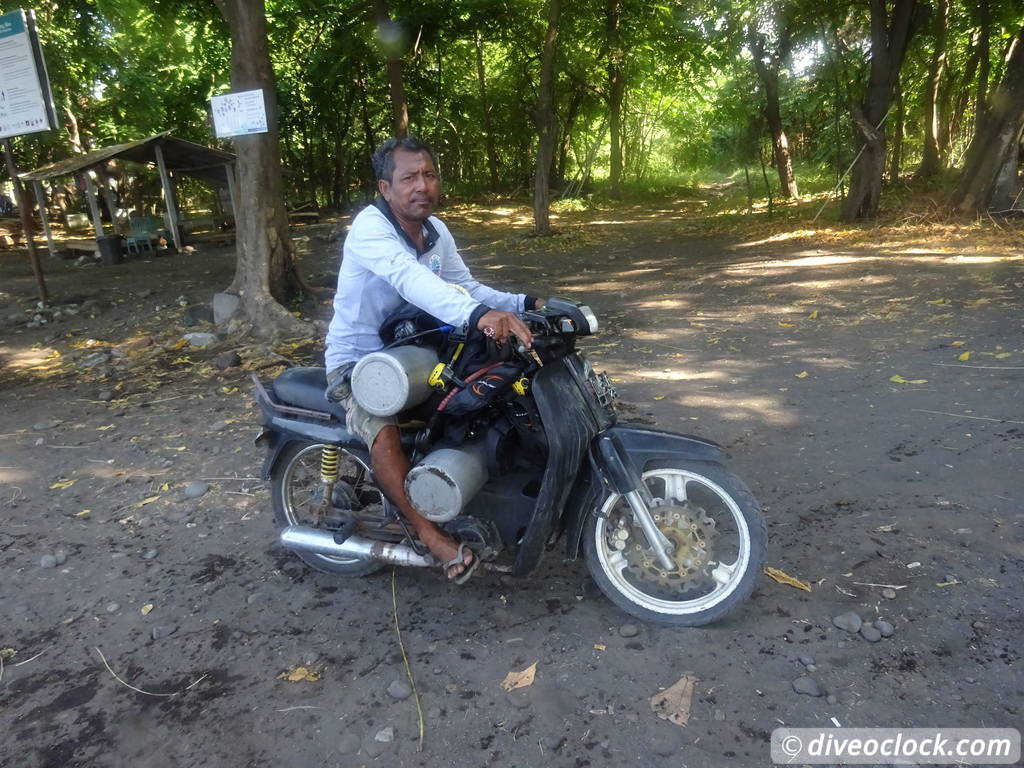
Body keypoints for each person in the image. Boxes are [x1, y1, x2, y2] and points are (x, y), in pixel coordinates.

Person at [324, 136, 542, 582]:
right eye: (409, 178)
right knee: (381, 428)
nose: (422, 185)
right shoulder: (371, 230)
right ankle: (430, 535)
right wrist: (478, 316)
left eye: (428, 174)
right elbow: (409, 280)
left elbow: (468, 288)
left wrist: (526, 302)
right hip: (361, 362)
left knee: (489, 395)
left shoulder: (436, 231)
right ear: (385, 188)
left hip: (421, 355)